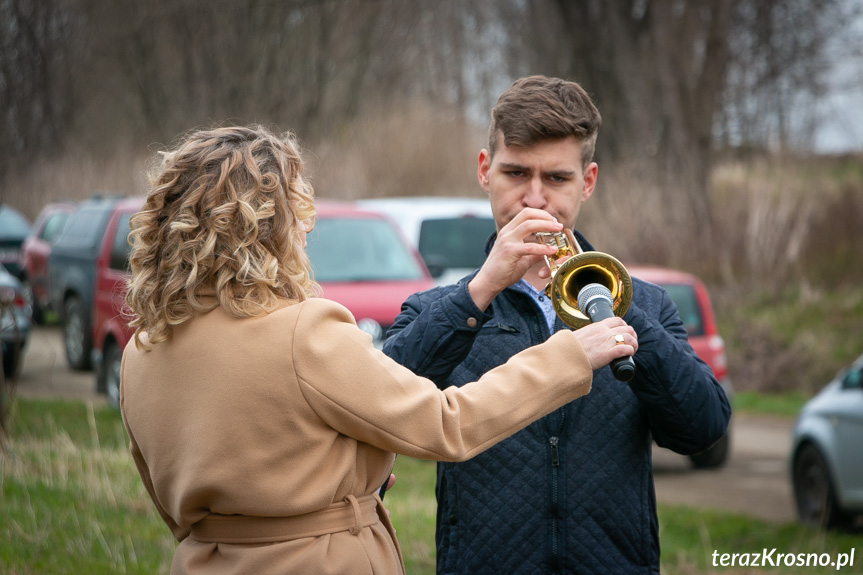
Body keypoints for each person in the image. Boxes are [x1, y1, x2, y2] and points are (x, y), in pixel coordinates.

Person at [119, 124, 638, 575]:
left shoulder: (141, 353)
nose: (307, 227)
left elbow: (175, 505)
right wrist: (568, 356)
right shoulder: (304, 332)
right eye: (297, 212)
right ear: (268, 227)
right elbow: (447, 422)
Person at [382, 75, 732, 574]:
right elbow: (380, 406)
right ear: (485, 172)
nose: (535, 198)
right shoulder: (441, 305)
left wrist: (614, 304)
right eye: (516, 173)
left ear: (587, 181)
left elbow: (704, 429)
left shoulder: (645, 304)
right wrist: (479, 291)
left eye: (557, 178)